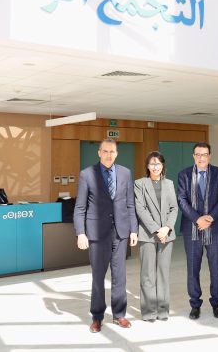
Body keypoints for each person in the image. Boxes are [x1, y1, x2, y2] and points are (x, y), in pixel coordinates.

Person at [73, 138, 139, 333]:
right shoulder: (87, 174)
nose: (109, 155)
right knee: (98, 277)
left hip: (120, 232)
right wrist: (80, 233)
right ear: (99, 153)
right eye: (105, 151)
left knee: (119, 276)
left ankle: (119, 314)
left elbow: (130, 204)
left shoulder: (125, 173)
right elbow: (80, 207)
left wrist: (133, 229)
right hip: (97, 234)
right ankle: (97, 317)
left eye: (112, 152)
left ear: (117, 153)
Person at [177, 142, 218, 319]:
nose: (201, 158)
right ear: (194, 156)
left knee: (216, 268)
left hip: (215, 228)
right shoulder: (184, 174)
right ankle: (195, 304)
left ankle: (216, 304)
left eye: (204, 154)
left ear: (210, 156)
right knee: (193, 268)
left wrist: (210, 218)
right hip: (192, 228)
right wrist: (197, 219)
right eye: (198, 154)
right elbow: (182, 200)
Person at [134, 151, 178, 322]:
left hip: (167, 235)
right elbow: (140, 209)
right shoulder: (140, 184)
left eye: (158, 163)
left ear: (162, 165)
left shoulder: (169, 184)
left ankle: (163, 309)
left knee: (163, 273)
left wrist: (166, 228)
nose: (155, 167)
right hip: (148, 234)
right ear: (147, 166)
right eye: (152, 164)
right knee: (148, 274)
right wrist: (157, 230)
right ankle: (149, 311)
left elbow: (174, 208)